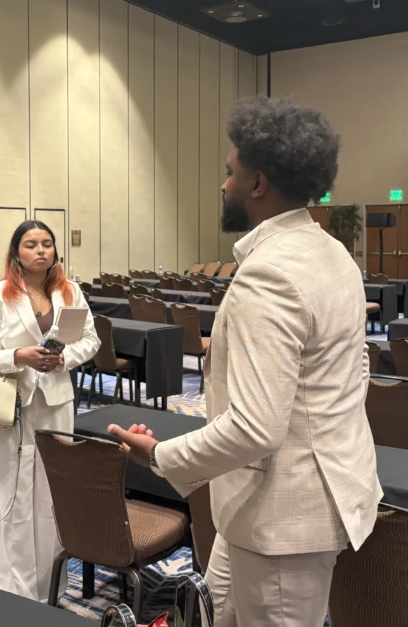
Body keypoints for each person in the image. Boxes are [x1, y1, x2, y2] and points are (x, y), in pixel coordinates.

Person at [108, 96, 382, 626]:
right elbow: (356, 373)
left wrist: (160, 454)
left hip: (284, 517)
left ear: (258, 184)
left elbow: (257, 428)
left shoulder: (271, 273)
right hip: (266, 503)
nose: (223, 184)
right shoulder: (332, 253)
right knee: (214, 613)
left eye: (230, 172)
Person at [0, 220, 101, 602]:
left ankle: (50, 584)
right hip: (16, 403)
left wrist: (64, 359)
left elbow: (91, 340)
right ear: (16, 253)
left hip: (57, 401)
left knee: (52, 492)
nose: (41, 250)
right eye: (31, 244)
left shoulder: (70, 291)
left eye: (47, 243)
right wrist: (20, 356)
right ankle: (15, 588)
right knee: (15, 493)